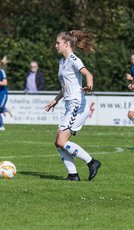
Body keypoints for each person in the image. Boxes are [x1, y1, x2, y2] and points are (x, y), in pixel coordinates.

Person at [44, 30, 101, 181]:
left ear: (67, 44)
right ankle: (73, 175)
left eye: (58, 43)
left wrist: (89, 86)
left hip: (78, 105)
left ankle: (92, 162)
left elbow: (88, 74)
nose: (55, 45)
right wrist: (56, 99)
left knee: (61, 141)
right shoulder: (62, 62)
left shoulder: (73, 59)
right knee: (58, 143)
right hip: (70, 106)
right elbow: (65, 87)